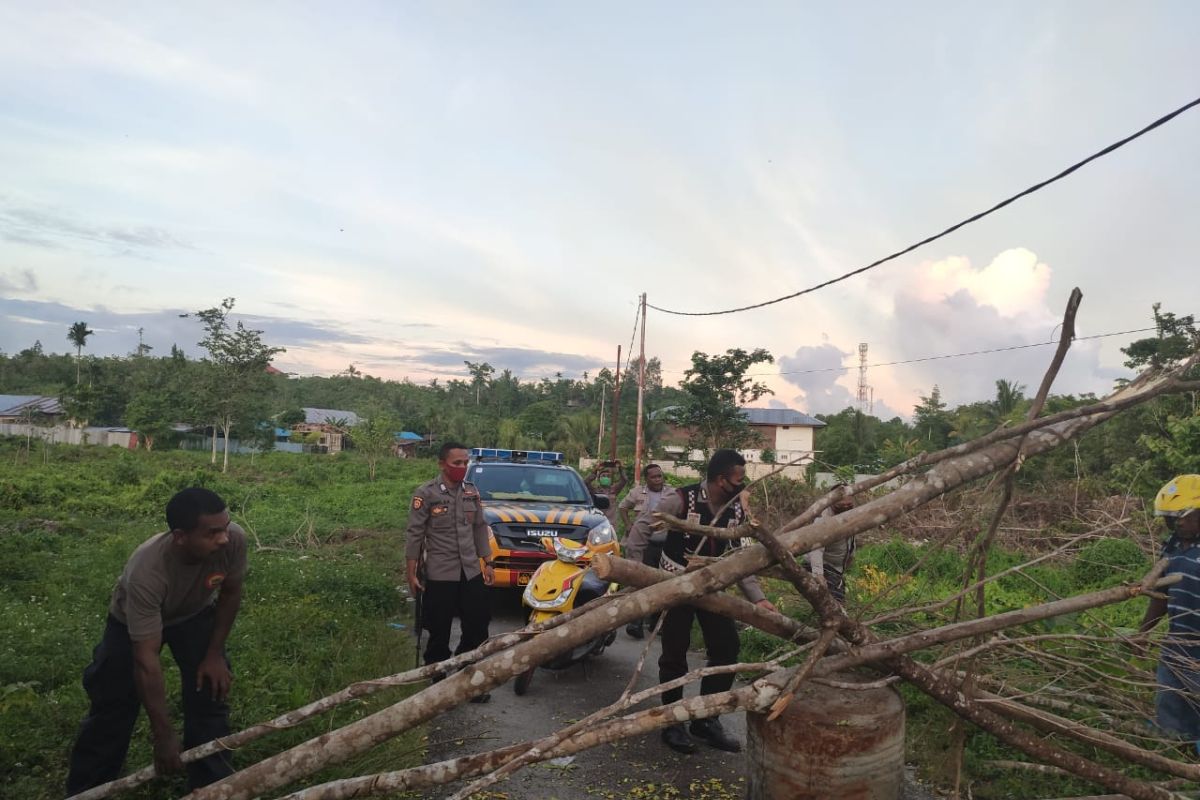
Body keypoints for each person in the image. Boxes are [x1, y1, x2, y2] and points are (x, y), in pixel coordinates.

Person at [66, 488, 247, 794]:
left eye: (225, 527)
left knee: (210, 694)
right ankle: (88, 789)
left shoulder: (233, 539)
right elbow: (146, 660)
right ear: (180, 537)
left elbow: (231, 592)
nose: (223, 539)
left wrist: (214, 653)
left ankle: (212, 787)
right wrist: (163, 735)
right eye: (212, 533)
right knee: (113, 705)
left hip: (194, 614)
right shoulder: (147, 571)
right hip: (130, 624)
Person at [655, 449, 776, 754]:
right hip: (675, 587)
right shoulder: (680, 500)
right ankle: (673, 722)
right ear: (722, 480)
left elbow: (739, 559)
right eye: (738, 479)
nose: (742, 484)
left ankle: (707, 720)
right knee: (674, 655)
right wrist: (637, 576)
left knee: (727, 648)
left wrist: (758, 600)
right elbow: (641, 530)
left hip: (713, 589)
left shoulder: (737, 511)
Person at [406, 441, 495, 701]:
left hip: (470, 571)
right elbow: (415, 534)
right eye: (457, 463)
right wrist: (411, 572)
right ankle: (436, 680)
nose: (462, 467)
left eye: (465, 463)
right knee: (439, 629)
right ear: (442, 464)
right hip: (440, 572)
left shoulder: (471, 492)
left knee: (478, 626)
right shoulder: (426, 493)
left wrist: (487, 562)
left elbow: (479, 527)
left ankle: (468, 678)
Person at [1138, 474, 1200, 747]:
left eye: (1184, 515)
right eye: (1172, 517)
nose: (1178, 522)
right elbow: (1162, 594)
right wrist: (1143, 632)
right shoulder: (1173, 546)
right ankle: (1175, 742)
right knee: (1170, 695)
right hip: (1178, 641)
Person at [621, 463, 671, 639]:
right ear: (646, 479)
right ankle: (636, 622)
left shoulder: (671, 493)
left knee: (662, 582)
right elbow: (623, 507)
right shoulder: (637, 493)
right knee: (640, 581)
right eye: (654, 477)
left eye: (660, 476)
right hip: (643, 544)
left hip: (665, 544)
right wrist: (628, 525)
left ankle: (656, 622)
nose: (658, 479)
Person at [806, 490, 857, 603]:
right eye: (841, 505)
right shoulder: (823, 521)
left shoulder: (852, 515)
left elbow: (851, 539)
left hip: (837, 568)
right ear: (831, 502)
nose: (845, 507)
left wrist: (851, 556)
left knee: (837, 601)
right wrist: (818, 575)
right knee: (833, 604)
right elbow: (816, 549)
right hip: (824, 567)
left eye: (848, 505)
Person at [585, 460, 628, 525]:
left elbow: (624, 480)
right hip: (597, 522)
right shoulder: (595, 490)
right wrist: (595, 470)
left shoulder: (614, 490)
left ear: (611, 479)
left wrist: (620, 468)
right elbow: (586, 482)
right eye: (603, 476)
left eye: (608, 476)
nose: (606, 477)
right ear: (599, 478)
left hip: (611, 523)